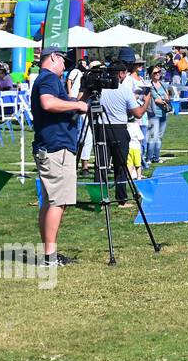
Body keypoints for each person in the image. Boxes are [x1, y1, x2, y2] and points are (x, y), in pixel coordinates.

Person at [30, 47, 89, 267]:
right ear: (53, 57)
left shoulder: (48, 80)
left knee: (50, 201)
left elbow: (66, 107)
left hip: (50, 147)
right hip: (56, 149)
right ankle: (50, 258)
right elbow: (48, 103)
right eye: (63, 61)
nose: (65, 66)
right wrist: (77, 104)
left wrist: (84, 96)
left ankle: (49, 254)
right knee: (58, 202)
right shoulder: (48, 79)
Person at [92, 58, 150, 207]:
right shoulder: (124, 90)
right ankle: (121, 199)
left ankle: (99, 198)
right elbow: (137, 114)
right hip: (119, 128)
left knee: (101, 166)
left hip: (101, 128)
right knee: (121, 166)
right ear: (121, 74)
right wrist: (146, 101)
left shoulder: (99, 88)